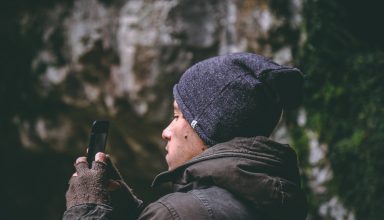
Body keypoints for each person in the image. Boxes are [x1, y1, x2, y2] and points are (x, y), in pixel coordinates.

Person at [63, 52, 307, 220]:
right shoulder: (271, 202)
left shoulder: (178, 214)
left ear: (209, 127)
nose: (166, 132)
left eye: (177, 115)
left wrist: (87, 209)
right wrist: (131, 211)